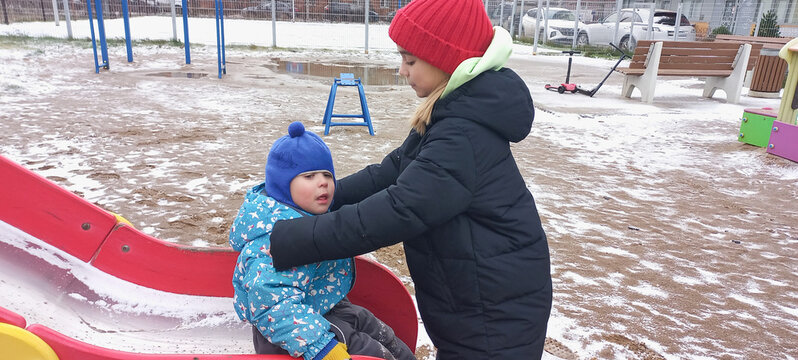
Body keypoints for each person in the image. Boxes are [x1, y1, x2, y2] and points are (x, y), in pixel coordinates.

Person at [267, 0, 553, 359]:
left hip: (495, 315)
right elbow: (389, 173)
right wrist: (319, 198)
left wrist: (288, 239)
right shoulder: (454, 114)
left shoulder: (462, 135)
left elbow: (398, 210)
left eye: (410, 60)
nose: (402, 70)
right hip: (479, 299)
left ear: (445, 60)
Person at [229, 121, 416, 360]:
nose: (323, 182)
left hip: (325, 308)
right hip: (291, 333)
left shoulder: (307, 215)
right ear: (282, 185)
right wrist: (321, 348)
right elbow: (269, 304)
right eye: (309, 176)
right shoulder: (274, 237)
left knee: (381, 332)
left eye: (327, 174)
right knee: (372, 352)